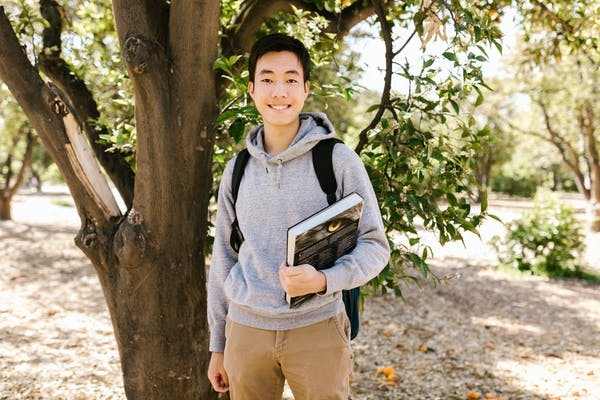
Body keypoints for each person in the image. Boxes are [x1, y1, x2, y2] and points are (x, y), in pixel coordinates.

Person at [207, 33, 390, 400]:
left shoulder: (336, 159)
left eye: (291, 80)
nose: (279, 91)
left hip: (318, 327)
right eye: (268, 79)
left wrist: (324, 280)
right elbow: (224, 259)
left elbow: (375, 245)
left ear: (305, 89)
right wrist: (218, 344)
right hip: (246, 328)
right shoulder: (238, 169)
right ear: (252, 90)